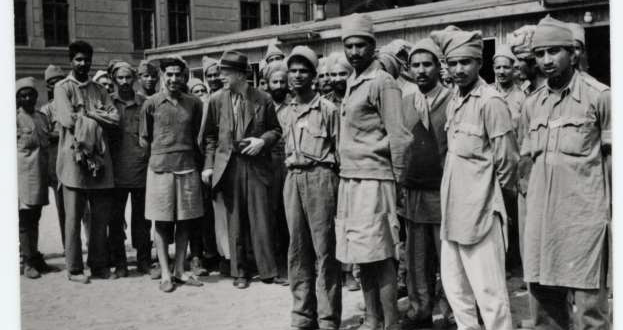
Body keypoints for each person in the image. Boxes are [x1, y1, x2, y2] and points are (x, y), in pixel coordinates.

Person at [521, 16, 611, 330]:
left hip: (583, 220)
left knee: (590, 314)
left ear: (572, 53)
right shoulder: (532, 104)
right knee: (544, 310)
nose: (546, 60)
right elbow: (524, 162)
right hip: (542, 221)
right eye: (540, 54)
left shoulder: (600, 97)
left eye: (554, 51)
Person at [430, 25, 518, 330]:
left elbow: (507, 163)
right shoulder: (455, 98)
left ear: (480, 63)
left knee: (491, 297)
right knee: (457, 293)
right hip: (452, 213)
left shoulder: (490, 101)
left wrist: (492, 205)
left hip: (481, 214)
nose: (458, 69)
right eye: (452, 63)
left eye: (465, 62)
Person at [337, 14, 413, 330]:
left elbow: (400, 137)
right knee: (361, 254)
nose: (355, 52)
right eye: (349, 46)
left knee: (381, 255)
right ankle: (371, 319)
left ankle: (391, 322)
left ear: (373, 46)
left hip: (375, 178)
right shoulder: (353, 81)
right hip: (350, 179)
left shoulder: (383, 82)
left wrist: (397, 184)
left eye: (361, 45)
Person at [202, 50, 284, 289]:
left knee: (261, 217)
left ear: (240, 75)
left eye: (225, 73)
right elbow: (209, 136)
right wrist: (208, 166)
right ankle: (240, 272)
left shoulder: (263, 99)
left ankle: (267, 271)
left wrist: (262, 142)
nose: (221, 77)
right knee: (235, 220)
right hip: (229, 165)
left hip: (257, 165)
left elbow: (276, 130)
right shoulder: (216, 99)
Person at [282, 45, 342, 330]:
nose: (297, 76)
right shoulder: (284, 111)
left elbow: (339, 152)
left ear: (314, 75)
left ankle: (328, 318)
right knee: (297, 249)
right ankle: (303, 315)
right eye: (292, 70)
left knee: (325, 251)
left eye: (303, 70)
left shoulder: (328, 109)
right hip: (293, 179)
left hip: (321, 179)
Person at [54, 40, 120, 283]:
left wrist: (88, 114)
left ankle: (99, 266)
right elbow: (67, 120)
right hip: (74, 161)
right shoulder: (62, 88)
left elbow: (115, 119)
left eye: (87, 59)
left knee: (100, 219)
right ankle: (74, 269)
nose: (83, 63)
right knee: (73, 218)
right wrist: (98, 117)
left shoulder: (100, 89)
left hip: (101, 162)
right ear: (71, 61)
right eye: (78, 59)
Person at [400, 37, 453, 329]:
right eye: (416, 65)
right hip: (413, 190)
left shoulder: (452, 99)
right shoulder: (406, 102)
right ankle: (420, 307)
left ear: (438, 66)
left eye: (427, 64)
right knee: (416, 257)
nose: (421, 70)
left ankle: (448, 311)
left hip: (443, 190)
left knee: (447, 255)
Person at [139, 56, 205, 292]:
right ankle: (165, 273)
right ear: (162, 76)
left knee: (185, 221)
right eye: (169, 74)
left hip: (187, 167)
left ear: (184, 76)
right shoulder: (151, 103)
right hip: (160, 169)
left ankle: (179, 269)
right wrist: (158, 159)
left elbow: (199, 137)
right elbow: (144, 139)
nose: (174, 79)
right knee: (162, 222)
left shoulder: (194, 103)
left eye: (178, 74)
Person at [107, 61, 151, 277]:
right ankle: (121, 264)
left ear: (134, 79)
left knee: (142, 220)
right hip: (114, 172)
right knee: (115, 220)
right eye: (120, 78)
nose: (124, 82)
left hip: (141, 169)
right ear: (114, 80)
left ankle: (144, 261)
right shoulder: (107, 103)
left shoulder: (145, 103)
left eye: (128, 77)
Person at [16, 77, 59, 279]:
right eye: (22, 95)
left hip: (40, 175)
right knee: (25, 220)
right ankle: (27, 262)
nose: (27, 98)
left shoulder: (42, 118)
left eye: (30, 94)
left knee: (35, 217)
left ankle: (34, 255)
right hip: (23, 176)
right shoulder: (14, 119)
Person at [265, 59, 291, 282]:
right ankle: (277, 265)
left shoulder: (294, 105)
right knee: (273, 216)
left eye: (283, 81)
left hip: (290, 164)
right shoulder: (264, 106)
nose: (280, 85)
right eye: (275, 81)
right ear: (268, 84)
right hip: (270, 166)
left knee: (290, 216)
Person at [39, 64, 67, 249]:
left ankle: (95, 248)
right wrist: (66, 132)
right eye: (51, 83)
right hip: (57, 163)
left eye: (59, 82)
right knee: (63, 209)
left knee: (87, 210)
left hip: (78, 163)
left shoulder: (73, 102)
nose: (55, 86)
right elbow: (45, 135)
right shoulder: (46, 110)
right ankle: (69, 247)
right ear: (48, 87)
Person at [492, 44, 525, 132]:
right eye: (498, 67)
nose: (501, 72)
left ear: (513, 69)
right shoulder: (488, 93)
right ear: (493, 69)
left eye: (506, 67)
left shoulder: (522, 97)